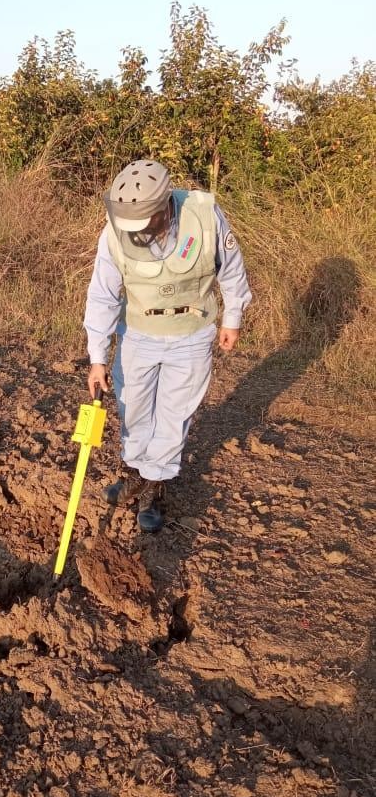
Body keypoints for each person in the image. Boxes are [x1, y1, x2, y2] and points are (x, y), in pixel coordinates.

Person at [83, 159, 252, 533]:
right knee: (134, 408)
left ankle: (154, 487)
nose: (135, 231)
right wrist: (98, 358)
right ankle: (134, 474)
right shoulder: (113, 231)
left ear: (164, 208)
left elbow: (232, 267)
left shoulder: (204, 215)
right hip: (138, 335)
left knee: (174, 414)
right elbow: (102, 296)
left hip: (191, 335)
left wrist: (232, 317)